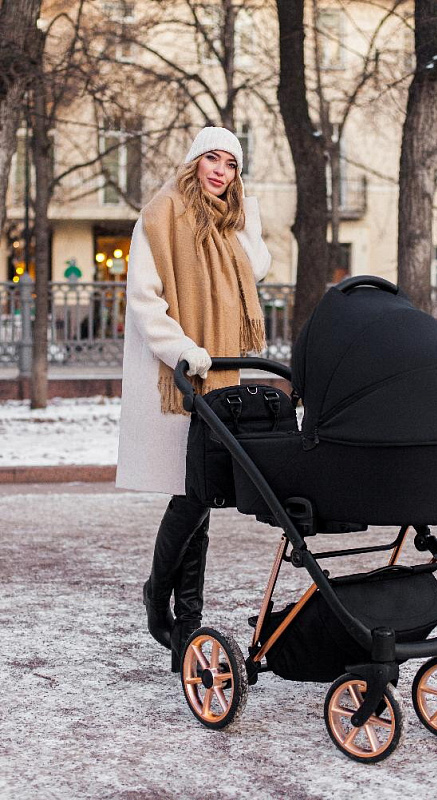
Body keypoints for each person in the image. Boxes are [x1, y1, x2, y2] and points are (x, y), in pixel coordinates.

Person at [116, 126, 270, 669]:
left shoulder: (232, 223)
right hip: (180, 372)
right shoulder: (160, 215)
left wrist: (247, 218)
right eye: (212, 159)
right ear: (193, 162)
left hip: (221, 370)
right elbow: (144, 298)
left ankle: (185, 627)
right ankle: (161, 597)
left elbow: (258, 268)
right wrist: (182, 349)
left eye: (231, 164)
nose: (221, 172)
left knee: (201, 494)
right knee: (194, 494)